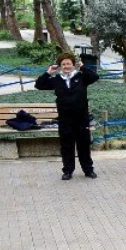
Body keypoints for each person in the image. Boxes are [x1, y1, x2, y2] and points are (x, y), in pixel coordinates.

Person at [35, 51, 99, 180]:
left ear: (73, 64)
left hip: (81, 119)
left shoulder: (81, 77)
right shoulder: (57, 79)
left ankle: (88, 170)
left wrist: (83, 67)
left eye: (68, 63)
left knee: (83, 146)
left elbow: (94, 77)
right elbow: (39, 85)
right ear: (60, 66)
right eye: (63, 64)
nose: (66, 66)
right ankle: (68, 171)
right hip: (65, 119)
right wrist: (49, 72)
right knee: (66, 146)